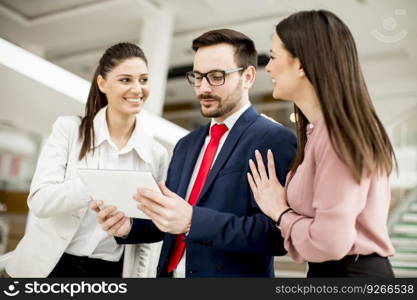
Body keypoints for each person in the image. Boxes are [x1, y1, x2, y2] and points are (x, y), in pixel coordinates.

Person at [93, 29, 297, 278]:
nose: (203, 88)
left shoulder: (273, 138)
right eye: (198, 76)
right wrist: (128, 227)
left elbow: (274, 236)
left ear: (248, 76)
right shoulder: (186, 144)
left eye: (216, 76)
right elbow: (169, 218)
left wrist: (192, 220)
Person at [247, 10, 396, 277]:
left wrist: (280, 212)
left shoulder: (337, 132)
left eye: (273, 56)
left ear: (301, 64)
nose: (267, 67)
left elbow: (329, 242)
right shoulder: (323, 132)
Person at [6, 42, 168, 278]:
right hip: (50, 266)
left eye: (143, 80)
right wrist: (96, 183)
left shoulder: (156, 154)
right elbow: (40, 201)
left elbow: (149, 232)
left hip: (108, 271)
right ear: (102, 83)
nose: (137, 89)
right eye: (125, 80)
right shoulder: (69, 130)